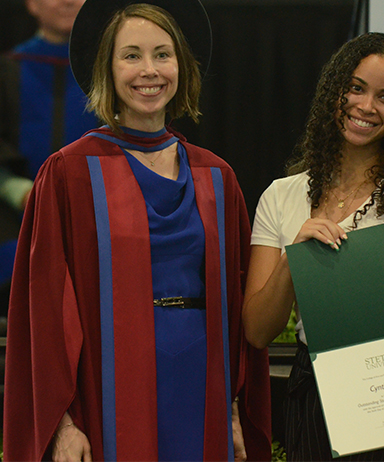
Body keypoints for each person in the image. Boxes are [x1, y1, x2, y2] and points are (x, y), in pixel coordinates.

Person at [3, 0, 271, 460]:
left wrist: (232, 414)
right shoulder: (70, 174)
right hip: (110, 389)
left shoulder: (216, 177)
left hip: (200, 385)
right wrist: (64, 424)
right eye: (131, 55)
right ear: (107, 68)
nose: (149, 70)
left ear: (181, 66)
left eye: (162, 54)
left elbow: (234, 309)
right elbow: (45, 308)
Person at [242, 32, 384, 461]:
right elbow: (256, 330)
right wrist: (293, 260)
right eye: (356, 88)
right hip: (315, 399)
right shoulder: (281, 197)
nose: (366, 107)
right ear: (333, 92)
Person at [0, 0, 98, 316]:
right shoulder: (7, 70)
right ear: (31, 4)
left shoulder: (113, 73)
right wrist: (18, 191)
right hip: (12, 222)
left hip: (96, 220)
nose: (68, 1)